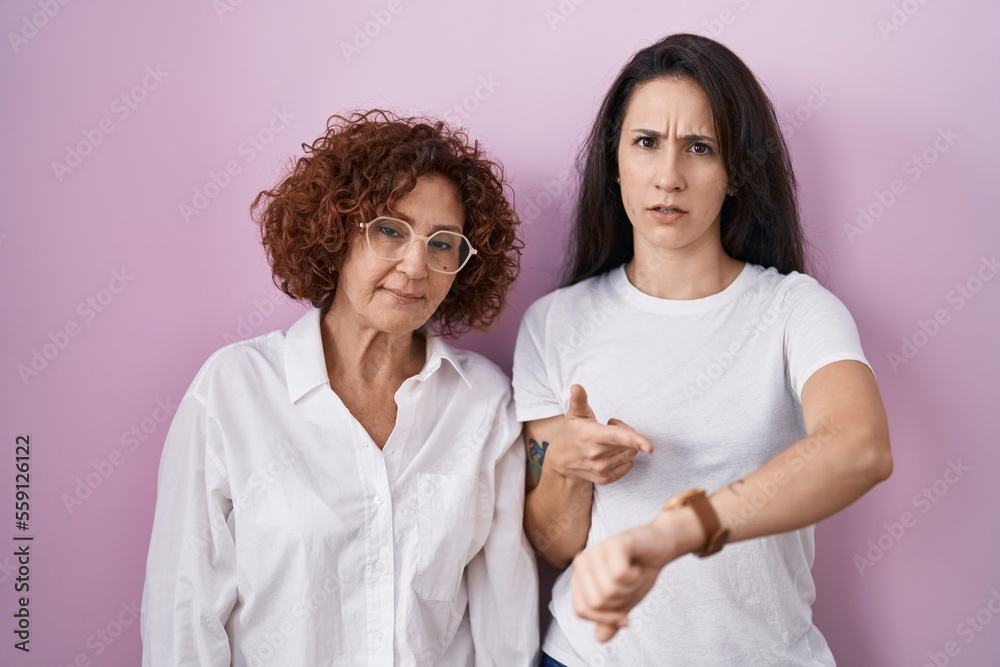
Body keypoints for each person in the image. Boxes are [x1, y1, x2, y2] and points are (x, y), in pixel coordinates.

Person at [513, 34, 892, 666]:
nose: (668, 176)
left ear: (736, 173)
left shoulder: (796, 310)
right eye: (645, 143)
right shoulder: (554, 322)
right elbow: (556, 545)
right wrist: (565, 465)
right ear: (615, 164)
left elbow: (861, 448)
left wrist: (678, 531)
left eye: (700, 147)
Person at [141, 109, 539, 666]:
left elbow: (505, 621)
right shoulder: (233, 390)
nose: (415, 264)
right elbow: (184, 614)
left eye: (443, 243)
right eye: (389, 230)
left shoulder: (484, 404)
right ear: (336, 231)